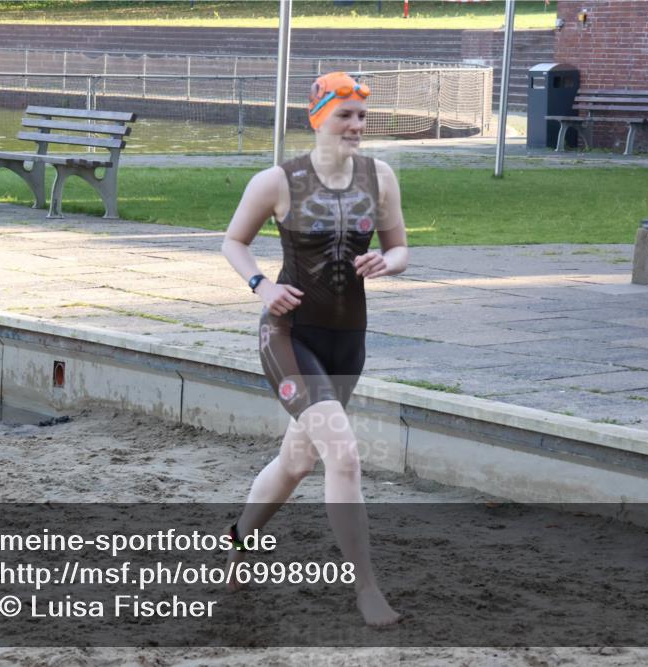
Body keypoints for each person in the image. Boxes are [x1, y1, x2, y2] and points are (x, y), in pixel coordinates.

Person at [220, 72, 408, 626]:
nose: (355, 126)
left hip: (348, 339)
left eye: (361, 117)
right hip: (290, 336)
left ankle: (238, 540)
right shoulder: (277, 181)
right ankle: (367, 589)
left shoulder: (382, 177)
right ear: (317, 117)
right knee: (343, 454)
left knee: (297, 460)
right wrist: (263, 286)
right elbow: (234, 241)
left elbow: (400, 249)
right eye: (344, 115)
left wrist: (386, 262)